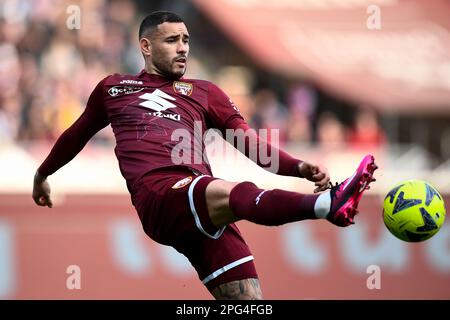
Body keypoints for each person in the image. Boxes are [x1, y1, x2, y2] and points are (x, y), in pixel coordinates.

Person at [32, 11, 377, 300]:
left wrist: (298, 167)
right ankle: (326, 205)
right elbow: (75, 135)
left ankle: (326, 204)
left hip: (197, 206)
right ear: (146, 47)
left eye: (186, 41)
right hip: (160, 194)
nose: (182, 49)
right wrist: (42, 175)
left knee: (249, 301)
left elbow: (250, 144)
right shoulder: (114, 88)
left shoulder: (206, 92)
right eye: (172, 41)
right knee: (229, 189)